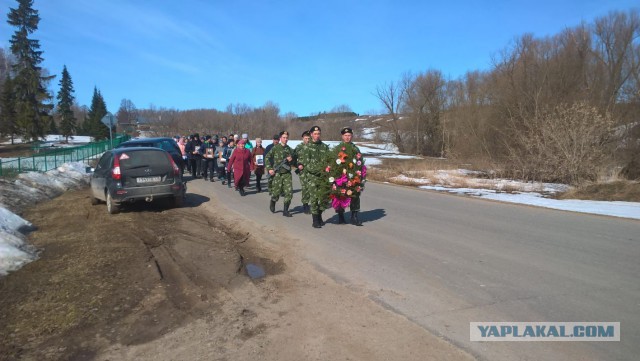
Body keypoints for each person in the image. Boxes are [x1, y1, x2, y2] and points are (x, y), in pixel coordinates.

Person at [328, 127, 366, 226]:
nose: (347, 137)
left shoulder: (355, 148)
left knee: (355, 195)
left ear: (352, 136)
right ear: (342, 136)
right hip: (341, 177)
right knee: (341, 195)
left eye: (349, 135)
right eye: (345, 135)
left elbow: (360, 162)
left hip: (353, 176)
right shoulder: (338, 148)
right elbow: (334, 163)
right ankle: (341, 215)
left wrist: (360, 175)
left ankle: (354, 216)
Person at [297, 126, 331, 228]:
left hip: (323, 177)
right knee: (314, 199)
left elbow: (329, 160)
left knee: (325, 198)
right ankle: (315, 220)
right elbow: (307, 165)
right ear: (311, 134)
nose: (317, 136)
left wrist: (329, 167)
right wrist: (320, 170)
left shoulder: (324, 147)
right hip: (312, 177)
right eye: (315, 134)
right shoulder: (307, 147)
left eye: (318, 134)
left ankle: (319, 213)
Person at [266, 131, 294, 217]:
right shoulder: (275, 148)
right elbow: (267, 157)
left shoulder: (289, 149)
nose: (285, 139)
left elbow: (294, 160)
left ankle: (285, 210)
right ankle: (273, 201)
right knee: (276, 192)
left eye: (287, 138)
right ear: (280, 138)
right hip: (277, 173)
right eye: (284, 137)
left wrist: (291, 160)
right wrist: (270, 169)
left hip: (287, 174)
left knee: (289, 192)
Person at [294, 131, 312, 214]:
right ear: (302, 138)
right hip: (303, 171)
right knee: (305, 187)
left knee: (311, 187)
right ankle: (305, 204)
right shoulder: (299, 147)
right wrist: (297, 165)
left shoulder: (312, 146)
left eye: (309, 138)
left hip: (312, 171)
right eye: (306, 138)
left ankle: (313, 203)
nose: (307, 140)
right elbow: (293, 158)